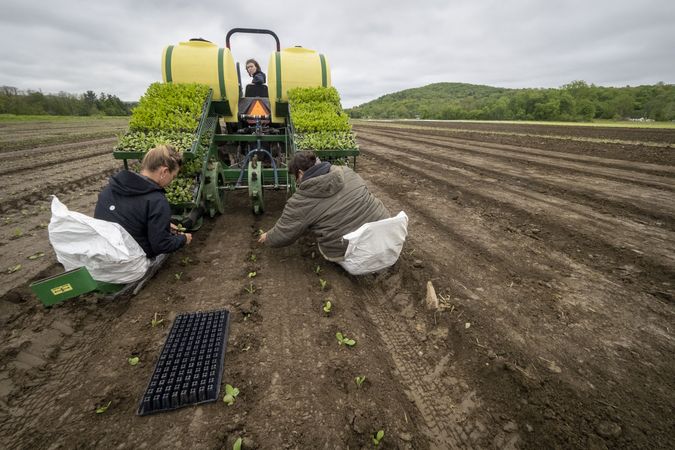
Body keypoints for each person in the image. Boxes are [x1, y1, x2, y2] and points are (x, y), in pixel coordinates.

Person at [258, 151, 408, 274]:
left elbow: (285, 233)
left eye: (295, 177)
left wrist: (268, 237)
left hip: (357, 261)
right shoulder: (347, 172)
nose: (297, 182)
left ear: (301, 173)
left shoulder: (301, 200)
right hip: (389, 240)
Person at [95, 145, 192, 258]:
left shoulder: (112, 187)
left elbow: (128, 217)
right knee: (165, 251)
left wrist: (163, 224)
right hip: (127, 266)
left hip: (100, 257)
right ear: (164, 172)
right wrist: (183, 239)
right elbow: (162, 245)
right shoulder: (157, 200)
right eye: (173, 176)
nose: (172, 181)